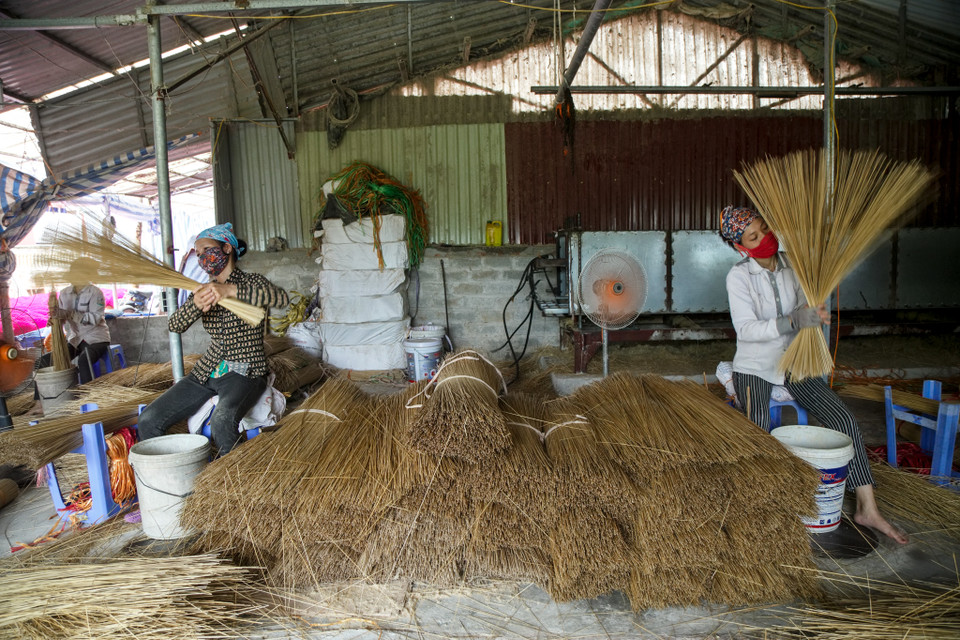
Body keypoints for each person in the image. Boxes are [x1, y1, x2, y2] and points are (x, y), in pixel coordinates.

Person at [719, 205, 908, 545]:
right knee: (760, 427)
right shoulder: (739, 276)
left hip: (796, 363)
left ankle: (868, 507)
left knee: (844, 420)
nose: (764, 238)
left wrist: (814, 314)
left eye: (764, 229)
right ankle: (759, 511)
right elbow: (745, 330)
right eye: (753, 237)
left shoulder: (794, 265)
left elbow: (809, 306)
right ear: (740, 246)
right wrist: (791, 321)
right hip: (755, 368)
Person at [137, 223, 289, 456]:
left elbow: (280, 298)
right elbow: (175, 325)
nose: (202, 258)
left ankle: (236, 483)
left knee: (222, 423)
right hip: (207, 371)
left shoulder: (252, 282)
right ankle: (176, 481)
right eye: (198, 254)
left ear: (226, 248)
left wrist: (230, 291)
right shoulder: (204, 289)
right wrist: (196, 306)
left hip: (245, 370)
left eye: (207, 249)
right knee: (149, 419)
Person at [42, 257, 111, 384]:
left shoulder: (95, 293)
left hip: (96, 339)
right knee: (44, 361)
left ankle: (88, 397)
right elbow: (62, 318)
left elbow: (95, 319)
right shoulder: (64, 293)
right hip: (75, 340)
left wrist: (70, 314)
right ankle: (39, 401)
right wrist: (55, 320)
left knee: (84, 361)